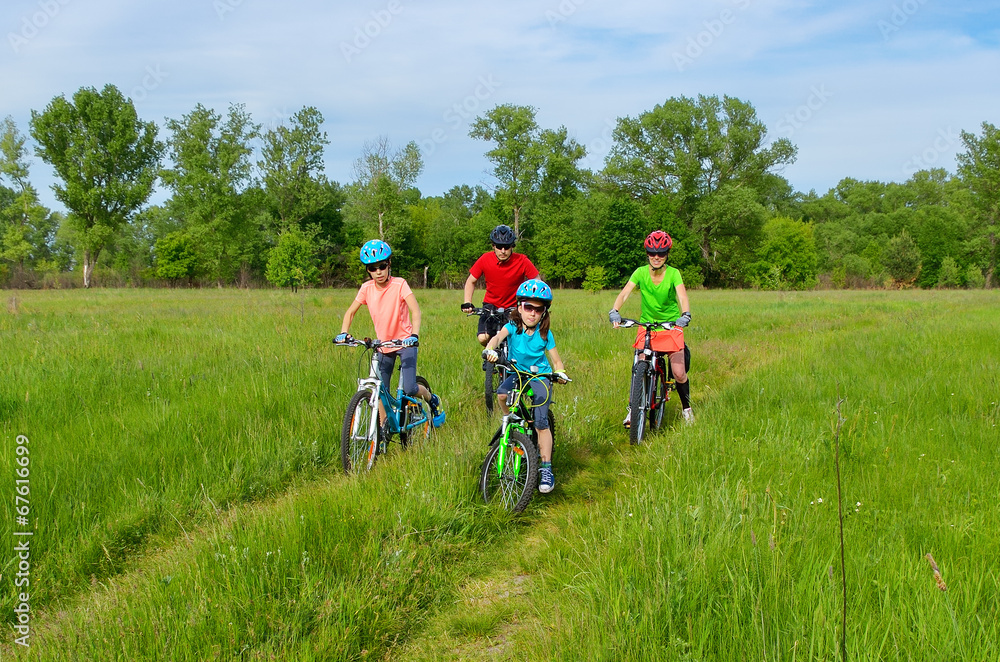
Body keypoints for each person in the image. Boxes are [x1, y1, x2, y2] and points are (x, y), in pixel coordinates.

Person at [335, 239, 445, 427]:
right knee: (381, 391)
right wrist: (344, 332)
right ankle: (384, 428)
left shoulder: (399, 284)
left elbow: (415, 311)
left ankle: (431, 399)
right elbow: (350, 312)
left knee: (409, 388)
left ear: (389, 265)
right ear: (368, 270)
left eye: (382, 266)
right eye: (372, 268)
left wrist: (414, 335)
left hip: (404, 343)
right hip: (383, 346)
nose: (378, 272)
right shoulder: (366, 288)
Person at [483, 279, 569, 494]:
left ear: (544, 312)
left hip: (540, 376)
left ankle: (546, 467)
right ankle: (510, 420)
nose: (532, 313)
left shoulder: (544, 333)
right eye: (528, 307)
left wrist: (560, 372)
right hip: (517, 373)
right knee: (502, 395)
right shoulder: (512, 326)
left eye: (538, 309)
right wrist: (490, 350)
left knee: (540, 421)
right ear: (519, 307)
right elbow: (496, 338)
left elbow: (556, 361)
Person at [608, 230, 693, 424]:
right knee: (639, 364)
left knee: (679, 372)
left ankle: (687, 409)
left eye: (661, 253)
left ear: (667, 254)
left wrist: (685, 314)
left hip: (671, 326)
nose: (656, 257)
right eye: (652, 253)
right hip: (647, 327)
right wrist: (615, 310)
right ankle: (633, 409)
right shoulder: (640, 272)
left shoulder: (673, 273)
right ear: (647, 253)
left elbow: (682, 296)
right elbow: (624, 293)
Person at [461, 224, 539, 347]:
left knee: (520, 341)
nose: (503, 251)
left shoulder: (522, 261)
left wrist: (534, 303)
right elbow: (471, 281)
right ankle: (493, 353)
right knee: (483, 338)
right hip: (490, 306)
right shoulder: (485, 259)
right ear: (493, 246)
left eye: (507, 247)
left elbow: (536, 282)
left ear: (512, 246)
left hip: (514, 307)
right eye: (499, 246)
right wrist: (467, 302)